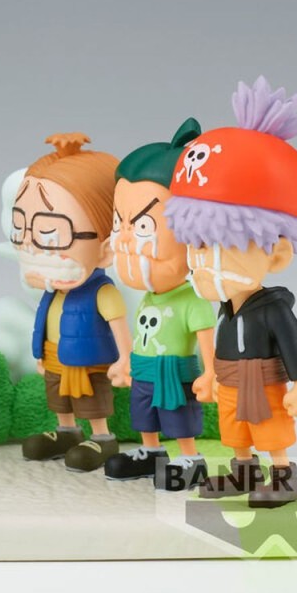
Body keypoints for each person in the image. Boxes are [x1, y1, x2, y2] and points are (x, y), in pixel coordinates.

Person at [166, 76, 297, 507]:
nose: (203, 259)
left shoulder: (273, 310)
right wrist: (212, 374)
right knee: (235, 431)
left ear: (277, 254)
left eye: (223, 245)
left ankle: (283, 476)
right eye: (197, 244)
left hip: (263, 382)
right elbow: (219, 346)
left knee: (269, 428)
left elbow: (292, 347)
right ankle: (243, 472)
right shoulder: (224, 309)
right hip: (230, 380)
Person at [105, 119, 215, 490]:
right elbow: (140, 335)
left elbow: (205, 339)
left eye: (142, 227)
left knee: (178, 414)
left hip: (174, 371)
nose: (125, 238)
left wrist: (210, 372)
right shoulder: (148, 297)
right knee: (144, 414)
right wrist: (128, 361)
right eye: (119, 222)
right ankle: (151, 452)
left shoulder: (192, 300)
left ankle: (190, 457)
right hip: (144, 368)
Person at [13, 133, 132, 472]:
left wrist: (125, 359)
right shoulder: (53, 291)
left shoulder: (102, 292)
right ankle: (66, 431)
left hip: (89, 361)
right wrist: (40, 352)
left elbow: (119, 326)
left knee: (91, 398)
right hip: (54, 356)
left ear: (106, 247)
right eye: (21, 229)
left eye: (50, 233)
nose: (32, 246)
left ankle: (102, 437)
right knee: (58, 397)